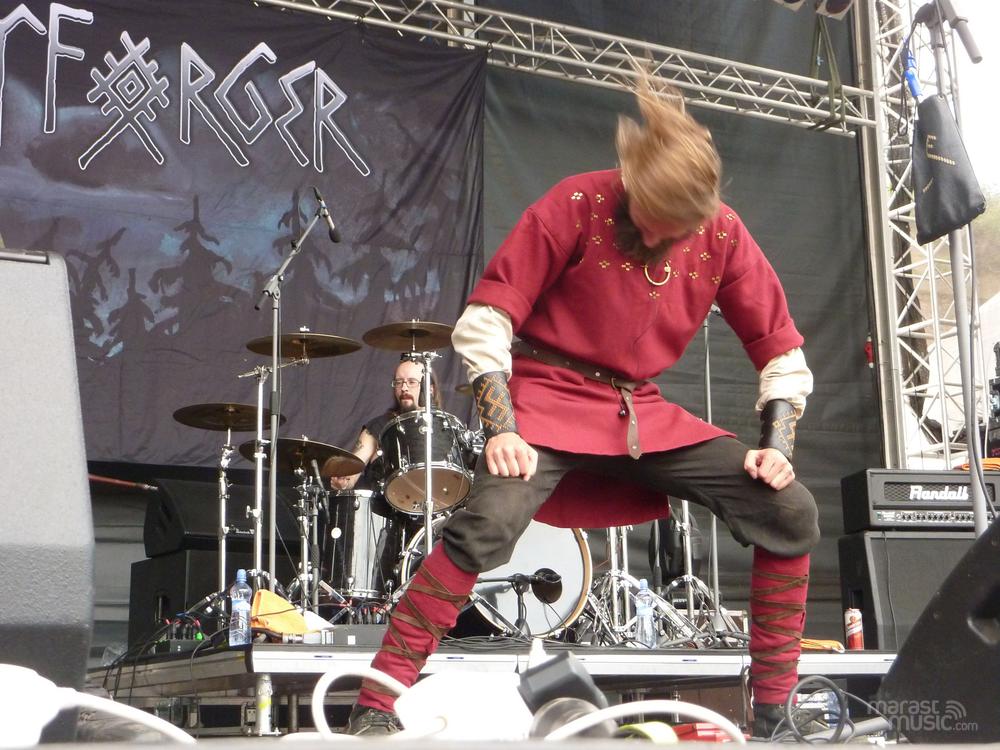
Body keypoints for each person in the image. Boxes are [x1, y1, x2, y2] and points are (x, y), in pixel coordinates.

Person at [346, 77, 820, 739]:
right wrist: (502, 428)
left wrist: (777, 448)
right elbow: (486, 322)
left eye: (675, 232)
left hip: (641, 413)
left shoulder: (723, 234)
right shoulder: (576, 202)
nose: (658, 240)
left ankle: (775, 710)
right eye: (651, 222)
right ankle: (375, 702)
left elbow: (782, 352)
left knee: (790, 509)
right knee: (489, 521)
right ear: (632, 182)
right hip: (547, 398)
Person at [323, 357, 441, 493]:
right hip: (384, 504)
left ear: (430, 389)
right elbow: (353, 471)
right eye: (398, 382)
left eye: (411, 382)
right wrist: (344, 480)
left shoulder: (445, 428)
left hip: (437, 501)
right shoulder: (378, 427)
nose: (404, 388)